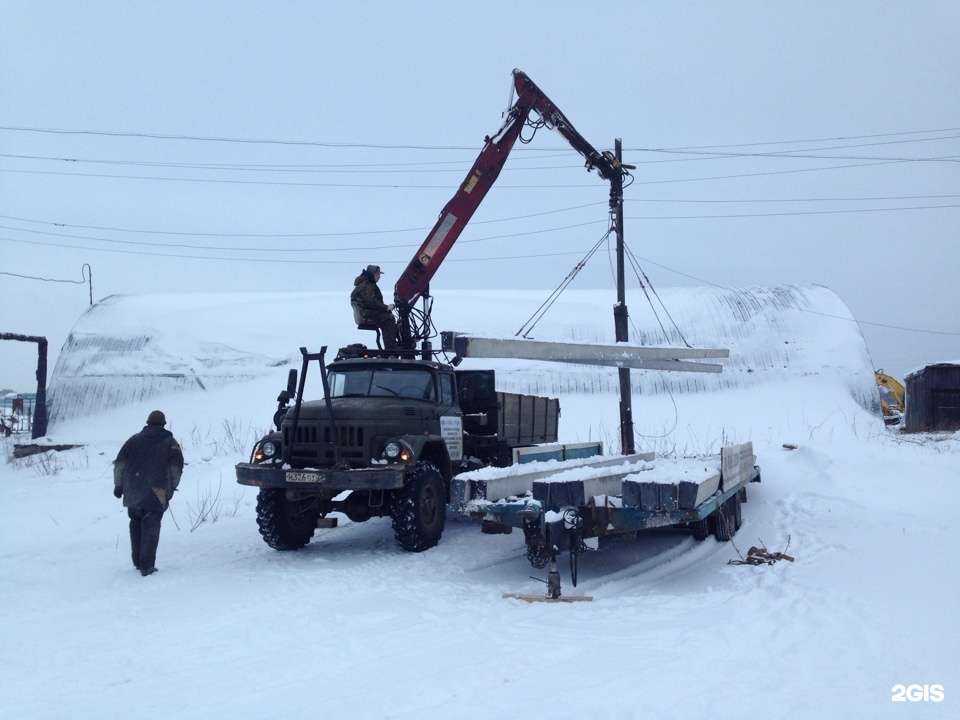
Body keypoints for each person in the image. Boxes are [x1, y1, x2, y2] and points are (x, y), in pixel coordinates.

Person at [113, 410, 183, 576]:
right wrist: (171, 488)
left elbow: (120, 464)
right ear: (163, 424)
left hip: (133, 490)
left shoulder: (133, 440)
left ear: (148, 423)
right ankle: (147, 566)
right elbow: (176, 468)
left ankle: (137, 562)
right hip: (156, 490)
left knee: (135, 524)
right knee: (151, 526)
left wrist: (118, 485)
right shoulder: (170, 442)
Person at [350, 264, 399, 350]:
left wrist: (386, 308)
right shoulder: (366, 285)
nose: (379, 277)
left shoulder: (368, 284)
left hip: (366, 312)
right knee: (388, 319)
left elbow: (373, 302)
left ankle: (392, 346)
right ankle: (391, 349)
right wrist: (386, 307)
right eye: (377, 274)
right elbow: (371, 302)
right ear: (372, 274)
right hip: (366, 314)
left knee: (388, 316)